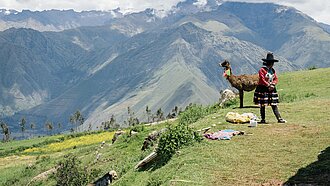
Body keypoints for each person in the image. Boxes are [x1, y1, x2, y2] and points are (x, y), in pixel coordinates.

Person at [254, 52, 286, 123]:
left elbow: (276, 78)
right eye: (271, 62)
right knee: (262, 105)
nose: (272, 64)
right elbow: (262, 79)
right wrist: (268, 85)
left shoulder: (272, 70)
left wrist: (273, 85)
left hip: (271, 88)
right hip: (263, 89)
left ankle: (279, 118)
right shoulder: (262, 70)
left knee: (273, 104)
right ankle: (263, 119)